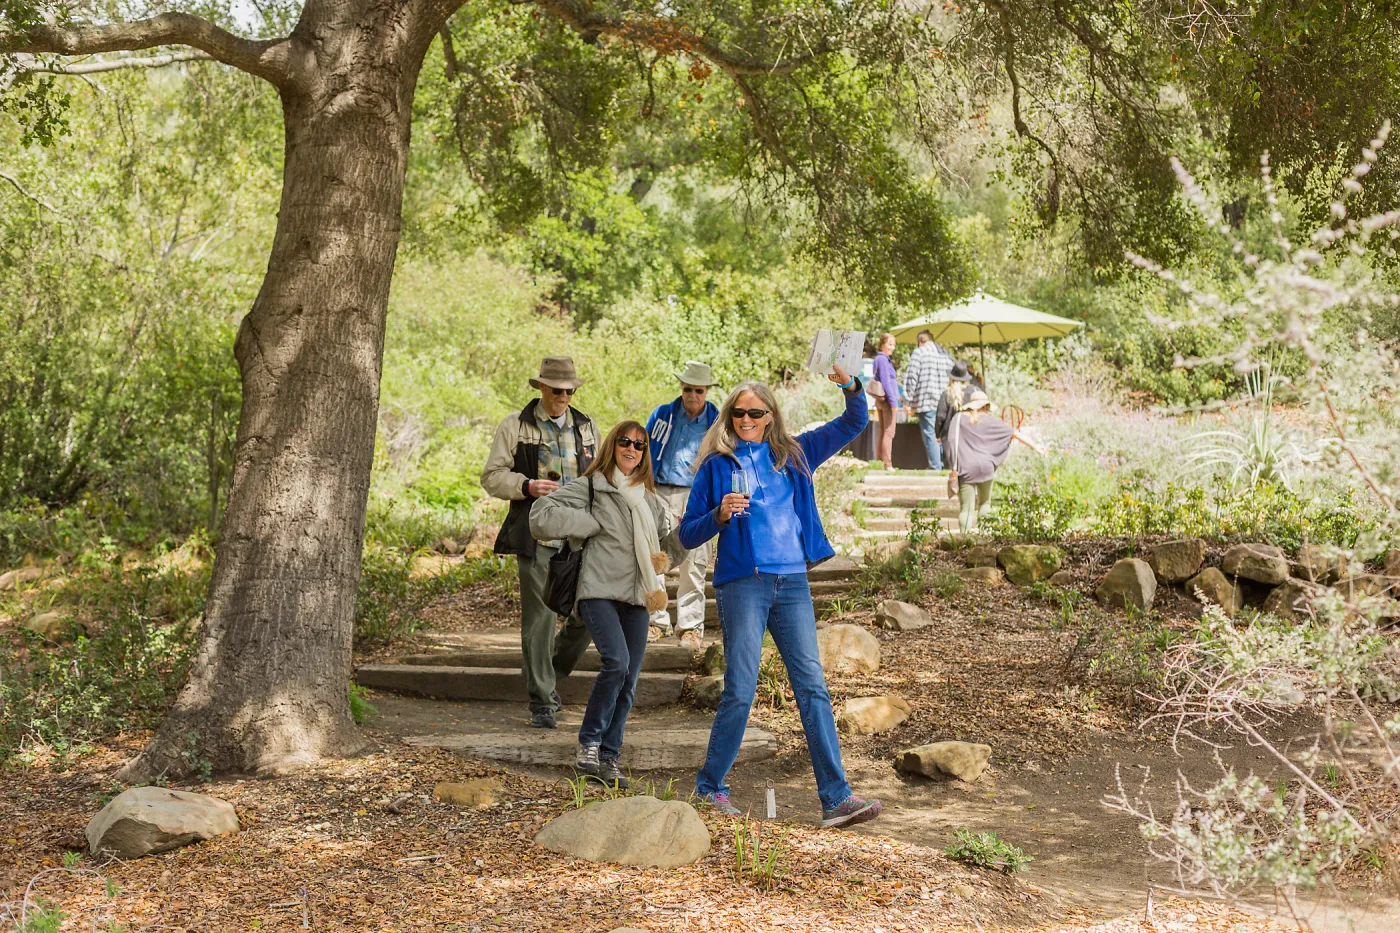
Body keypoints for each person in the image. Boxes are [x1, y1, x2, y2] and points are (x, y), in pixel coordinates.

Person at [681, 364, 883, 829]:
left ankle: (836, 798)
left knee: (812, 688)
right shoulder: (716, 466)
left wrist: (849, 384)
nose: (745, 421)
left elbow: (855, 421)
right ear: (728, 417)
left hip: (792, 583)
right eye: (737, 414)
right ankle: (710, 786)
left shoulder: (796, 454)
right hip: (743, 586)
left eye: (755, 413)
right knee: (741, 689)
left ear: (770, 414)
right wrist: (718, 515)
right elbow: (687, 534)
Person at [530, 421, 686, 787]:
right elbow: (540, 517)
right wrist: (586, 522)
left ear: (646, 453)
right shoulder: (590, 488)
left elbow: (667, 554)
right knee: (615, 662)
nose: (632, 448)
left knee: (629, 678)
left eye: (640, 445)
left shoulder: (650, 502)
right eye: (625, 442)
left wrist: (704, 524)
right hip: (597, 591)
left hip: (636, 598)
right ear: (612, 445)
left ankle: (608, 757)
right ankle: (588, 745)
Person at [481, 356, 598, 730]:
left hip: (580, 534)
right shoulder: (515, 425)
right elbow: (492, 477)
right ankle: (543, 700)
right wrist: (526, 487)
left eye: (569, 390)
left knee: (588, 615)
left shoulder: (587, 427)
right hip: (536, 532)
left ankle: (548, 668)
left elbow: (599, 476)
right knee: (541, 619)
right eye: (557, 389)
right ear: (541, 388)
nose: (564, 396)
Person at [645, 361, 721, 648]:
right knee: (656, 556)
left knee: (694, 559)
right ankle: (656, 620)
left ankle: (690, 626)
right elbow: (644, 450)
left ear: (706, 391)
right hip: (660, 490)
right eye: (688, 389)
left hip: (697, 495)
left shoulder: (716, 421)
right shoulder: (663, 415)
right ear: (681, 388)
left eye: (698, 390)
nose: (692, 395)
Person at [946, 389, 1045, 532]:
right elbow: (1014, 434)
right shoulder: (990, 420)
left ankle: (964, 542)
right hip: (986, 467)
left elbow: (951, 441)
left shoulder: (958, 419)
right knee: (985, 503)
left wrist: (953, 463)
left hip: (966, 468)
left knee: (966, 509)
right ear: (986, 406)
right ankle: (985, 537)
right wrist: (1037, 447)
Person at [902, 329, 955, 470]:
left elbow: (912, 378)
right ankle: (946, 466)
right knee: (943, 435)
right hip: (946, 401)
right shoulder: (946, 355)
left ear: (920, 341)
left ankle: (935, 467)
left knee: (930, 434)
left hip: (927, 401)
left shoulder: (920, 353)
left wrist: (908, 401)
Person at [870, 332, 901, 470]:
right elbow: (886, 382)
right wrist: (893, 402)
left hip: (882, 400)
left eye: (894, 345)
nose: (892, 347)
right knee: (889, 432)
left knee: (883, 431)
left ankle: (879, 462)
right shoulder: (883, 359)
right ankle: (887, 464)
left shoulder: (880, 359)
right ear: (882, 344)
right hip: (887, 401)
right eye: (889, 344)